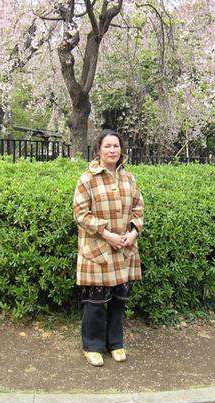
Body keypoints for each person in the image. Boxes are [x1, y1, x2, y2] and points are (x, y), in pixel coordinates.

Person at [72, 129, 144, 367]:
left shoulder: (128, 178)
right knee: (96, 301)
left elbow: (139, 208)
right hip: (97, 249)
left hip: (123, 247)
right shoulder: (87, 179)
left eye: (116, 146)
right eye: (107, 146)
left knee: (118, 299)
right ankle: (92, 346)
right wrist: (105, 233)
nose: (112, 150)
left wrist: (133, 232)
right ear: (98, 150)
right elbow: (80, 213)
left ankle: (115, 343)